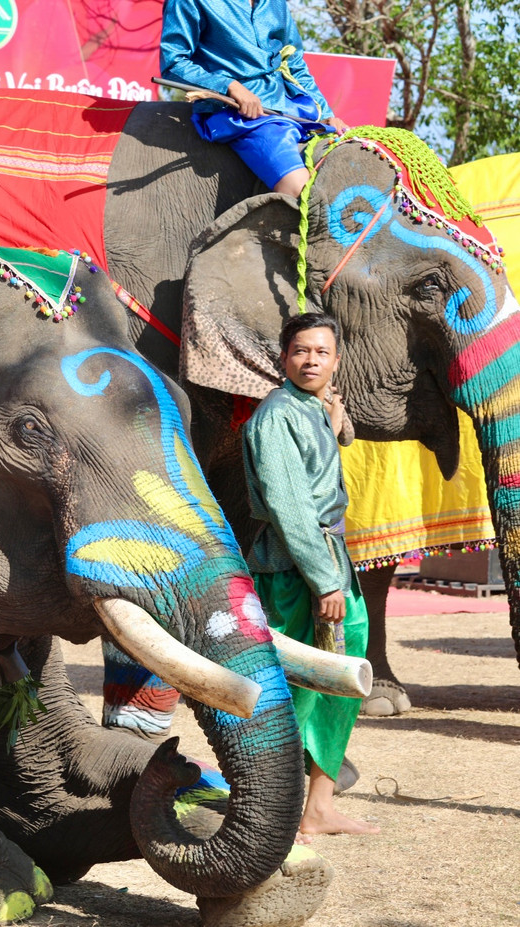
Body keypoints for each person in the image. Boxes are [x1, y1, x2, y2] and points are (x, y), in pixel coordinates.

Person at [241, 313, 379, 837]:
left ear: (335, 361)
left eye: (321, 353)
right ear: (283, 359)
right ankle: (265, 812)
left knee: (343, 678)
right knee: (295, 687)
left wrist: (337, 418)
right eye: (301, 351)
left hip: (329, 559)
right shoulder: (276, 415)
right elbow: (289, 505)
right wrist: (325, 581)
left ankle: (318, 806)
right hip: (296, 568)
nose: (311, 360)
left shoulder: (313, 406)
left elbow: (331, 449)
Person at [160, 0, 349, 199]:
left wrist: (327, 115)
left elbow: (294, 63)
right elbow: (173, 62)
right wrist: (229, 86)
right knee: (303, 193)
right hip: (239, 117)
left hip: (294, 109)